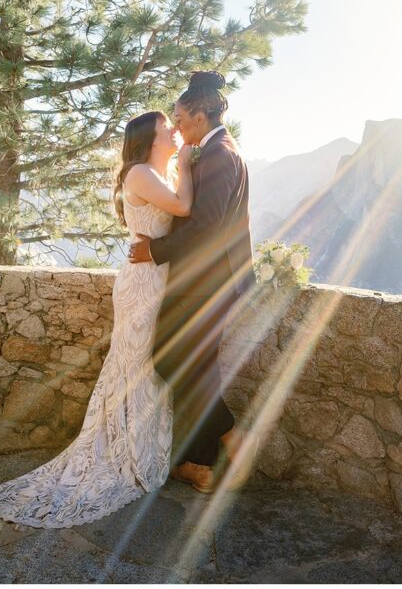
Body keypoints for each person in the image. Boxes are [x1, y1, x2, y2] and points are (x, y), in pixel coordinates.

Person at [0, 111, 192, 526]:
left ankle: (141, 449)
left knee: (147, 369)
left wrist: (182, 166)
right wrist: (189, 159)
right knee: (135, 367)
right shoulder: (142, 172)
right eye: (168, 129)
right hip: (142, 285)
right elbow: (183, 206)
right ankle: (123, 455)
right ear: (150, 137)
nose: (175, 133)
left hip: (157, 280)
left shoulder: (155, 173)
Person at [128, 70, 254, 494]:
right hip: (210, 280)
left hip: (205, 282)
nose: (178, 129)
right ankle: (201, 466)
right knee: (198, 370)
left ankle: (229, 432)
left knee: (168, 359)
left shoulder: (219, 155)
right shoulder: (215, 148)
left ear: (200, 115)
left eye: (181, 119)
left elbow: (205, 228)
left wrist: (154, 251)